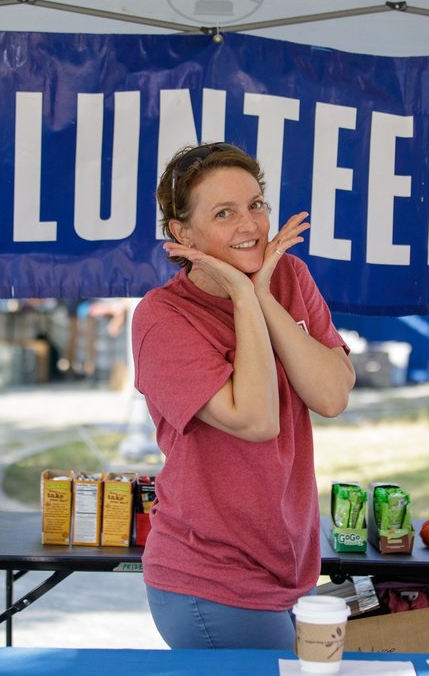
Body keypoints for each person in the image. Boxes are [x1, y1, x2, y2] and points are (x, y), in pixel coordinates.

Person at [131, 142, 355, 649]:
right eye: (224, 213)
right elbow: (257, 419)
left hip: (290, 571)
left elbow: (332, 394)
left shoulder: (291, 278)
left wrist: (261, 295)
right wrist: (240, 293)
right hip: (210, 578)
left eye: (256, 204)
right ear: (181, 233)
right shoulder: (162, 318)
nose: (250, 225)